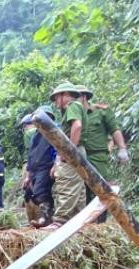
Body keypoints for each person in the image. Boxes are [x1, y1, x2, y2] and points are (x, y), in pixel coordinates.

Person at [46, 81, 88, 229]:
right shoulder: (73, 108)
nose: (56, 102)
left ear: (65, 96)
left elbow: (77, 126)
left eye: (57, 98)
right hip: (77, 150)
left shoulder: (73, 106)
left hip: (73, 150)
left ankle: (60, 220)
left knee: (67, 184)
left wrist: (70, 150)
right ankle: (79, 220)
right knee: (77, 187)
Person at [20, 112, 56, 228]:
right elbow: (31, 154)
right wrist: (29, 175)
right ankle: (42, 218)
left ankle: (45, 218)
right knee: (32, 194)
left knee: (41, 192)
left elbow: (56, 149)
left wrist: (56, 164)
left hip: (45, 166)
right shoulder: (35, 135)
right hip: (34, 168)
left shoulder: (51, 131)